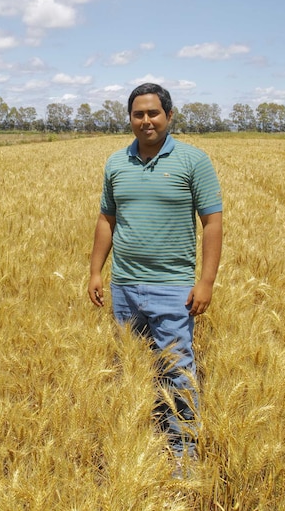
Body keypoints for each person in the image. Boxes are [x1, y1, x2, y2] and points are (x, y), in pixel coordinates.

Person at [88, 82, 222, 461]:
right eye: (138, 114)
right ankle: (138, 443)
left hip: (173, 288)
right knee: (131, 366)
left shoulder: (194, 161)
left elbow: (212, 222)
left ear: (169, 116)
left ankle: (183, 453)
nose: (146, 121)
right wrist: (96, 272)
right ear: (130, 118)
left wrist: (206, 282)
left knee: (177, 372)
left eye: (153, 113)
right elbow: (106, 219)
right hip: (125, 286)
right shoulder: (116, 163)